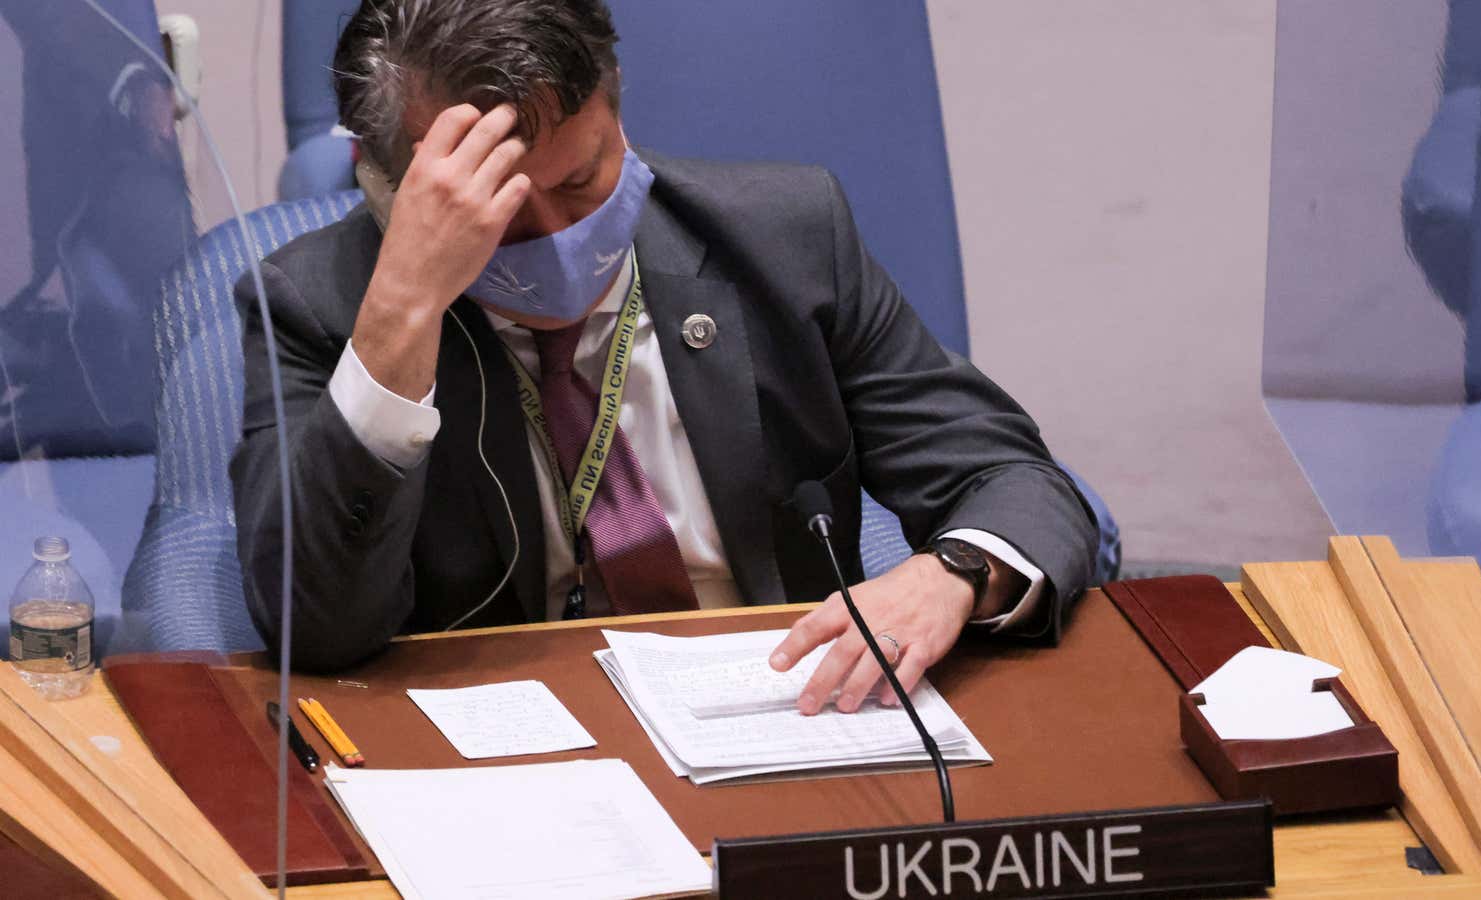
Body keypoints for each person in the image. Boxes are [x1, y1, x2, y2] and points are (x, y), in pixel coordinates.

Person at [231, 0, 1101, 714]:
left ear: (618, 113)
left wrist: (951, 574)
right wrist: (402, 317)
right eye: (494, 210)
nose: (556, 239)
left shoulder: (787, 238)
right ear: (387, 189)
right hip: (507, 742)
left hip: (782, 713)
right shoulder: (322, 308)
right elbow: (318, 630)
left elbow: (1008, 477)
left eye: (582, 183)